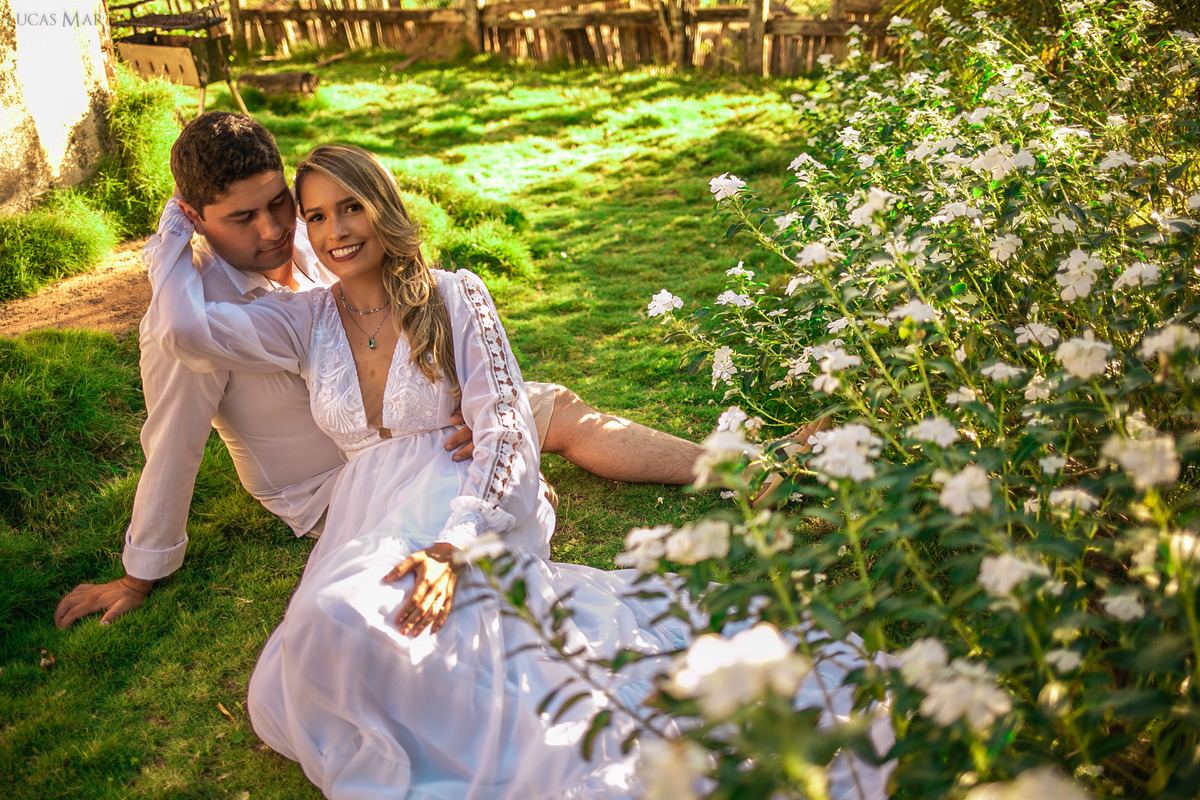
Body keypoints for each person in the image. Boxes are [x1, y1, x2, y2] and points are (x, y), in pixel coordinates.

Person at [144, 144, 892, 800]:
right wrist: (171, 230)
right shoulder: (304, 319)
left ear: (385, 208)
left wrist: (454, 544)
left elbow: (500, 424)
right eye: (317, 217)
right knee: (323, 631)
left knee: (422, 620)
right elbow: (184, 328)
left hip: (456, 496)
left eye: (349, 209)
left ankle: (741, 475)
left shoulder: (454, 293)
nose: (331, 231)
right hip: (362, 511)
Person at [54, 112, 703, 630]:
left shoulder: (310, 230)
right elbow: (170, 446)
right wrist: (140, 574)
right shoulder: (191, 315)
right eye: (242, 219)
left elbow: (393, 307)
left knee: (545, 406)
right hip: (333, 483)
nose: (277, 229)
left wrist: (445, 397)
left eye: (280, 203)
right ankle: (510, 503)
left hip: (412, 429)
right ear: (194, 216)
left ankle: (741, 467)